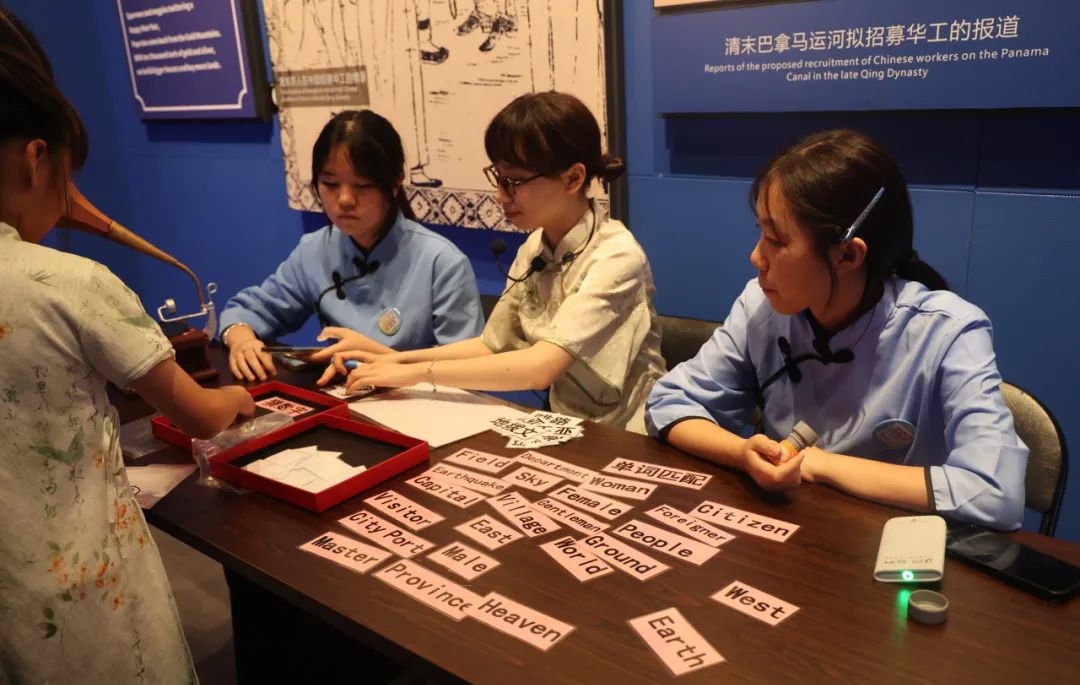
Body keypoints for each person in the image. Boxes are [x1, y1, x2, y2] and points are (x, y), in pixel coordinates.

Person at [0, 10, 253, 685]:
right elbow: (199, 415)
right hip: (74, 581)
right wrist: (235, 401)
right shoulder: (72, 283)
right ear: (35, 159)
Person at [645, 129, 1026, 530]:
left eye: (775, 239)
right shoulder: (760, 306)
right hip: (790, 534)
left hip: (895, 547)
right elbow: (669, 403)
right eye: (760, 232)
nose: (756, 256)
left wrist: (818, 465)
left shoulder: (949, 331)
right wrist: (741, 454)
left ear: (847, 254)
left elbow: (995, 492)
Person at [321, 91, 666, 433]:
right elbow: (491, 344)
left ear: (573, 178)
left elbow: (540, 367)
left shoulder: (617, 256)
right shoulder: (535, 247)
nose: (500, 195)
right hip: (569, 426)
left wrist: (413, 373)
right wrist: (391, 358)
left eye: (513, 182)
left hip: (630, 433)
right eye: (498, 178)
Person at [219, 109, 482, 381]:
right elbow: (247, 311)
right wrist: (242, 340)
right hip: (343, 393)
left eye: (362, 185)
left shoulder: (442, 262)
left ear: (394, 184)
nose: (345, 199)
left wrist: (393, 366)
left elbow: (465, 370)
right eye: (331, 184)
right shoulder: (315, 250)